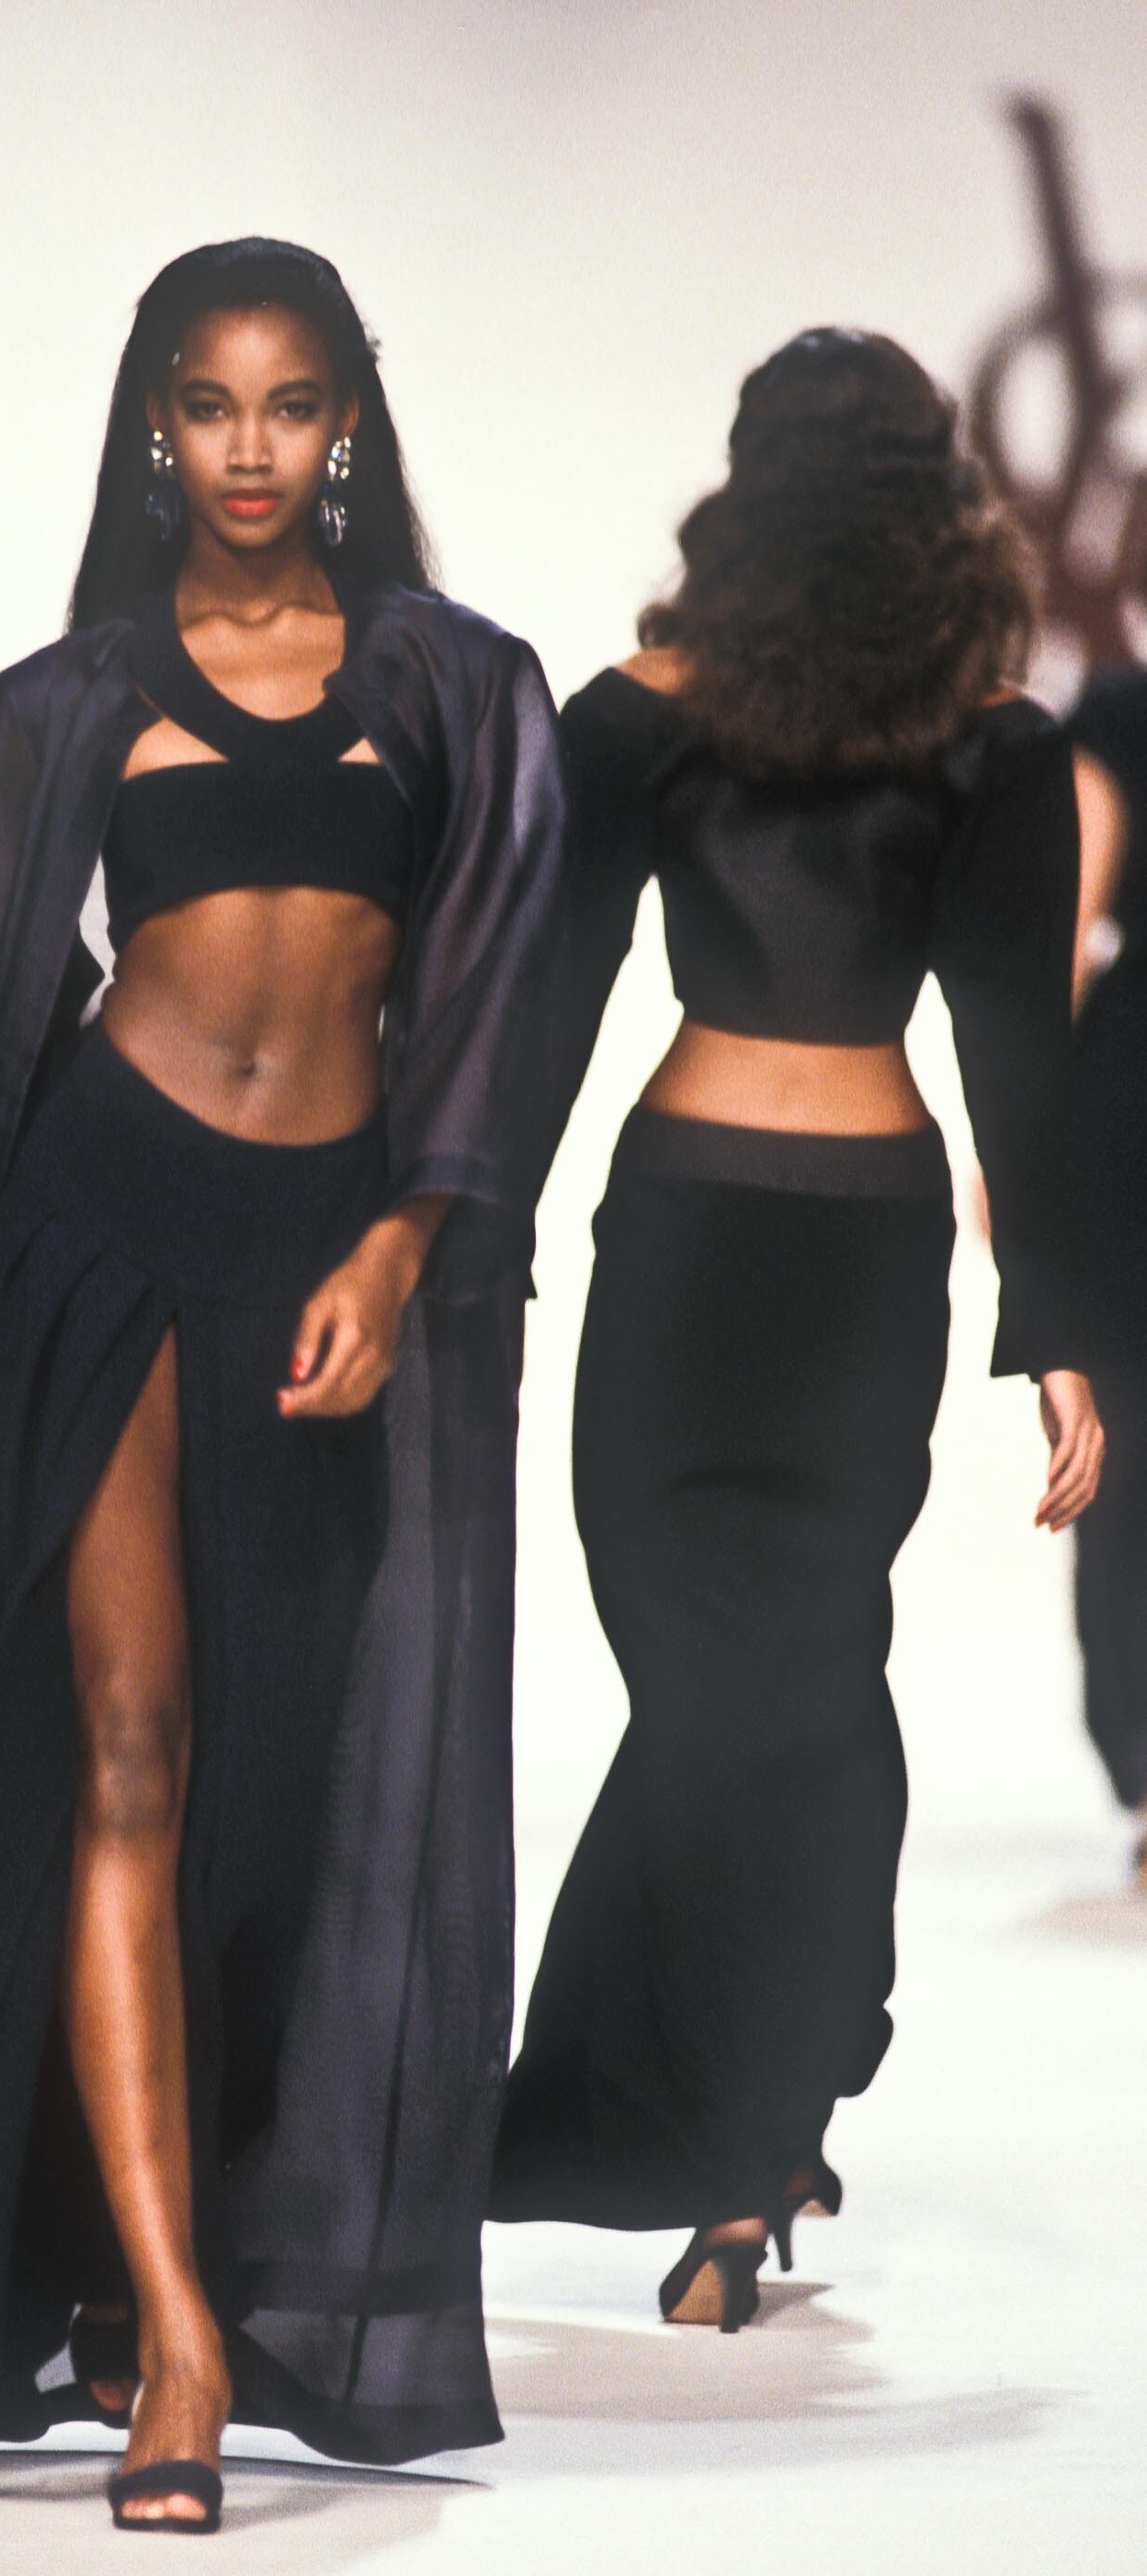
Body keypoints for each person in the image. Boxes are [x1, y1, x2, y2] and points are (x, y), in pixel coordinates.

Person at [0, 238, 562, 2531]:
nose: (246, 446)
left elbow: (494, 1007)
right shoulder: (66, 700)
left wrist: (398, 1247)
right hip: (93, 1241)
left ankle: (138, 2250)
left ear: (347, 423)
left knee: (275, 1790)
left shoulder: (458, 686)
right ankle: (179, 2345)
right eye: (205, 404)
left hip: (321, 1259)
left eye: (288, 404)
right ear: (151, 425)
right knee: (125, 1752)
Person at [490, 331, 1104, 2332]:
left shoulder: (663, 715)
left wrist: (1062, 1330)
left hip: (703, 1243)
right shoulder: (966, 741)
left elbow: (553, 1008)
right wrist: (460, 1247)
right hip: (835, 1252)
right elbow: (1011, 1060)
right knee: (768, 1680)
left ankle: (741, 2138)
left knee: (764, 1679)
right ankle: (780, 2076)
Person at [1062, 666, 1147, 1878]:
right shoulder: (1119, 715)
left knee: (1127, 1446)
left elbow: (1064, 926)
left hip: (1121, 1109)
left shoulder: (1120, 716)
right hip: (1125, 1121)